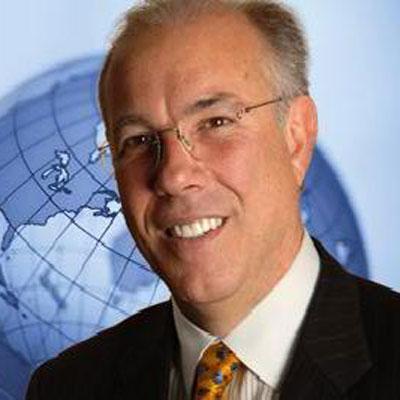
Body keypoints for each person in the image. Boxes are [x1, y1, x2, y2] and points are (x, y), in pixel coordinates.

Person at [26, 1, 400, 399]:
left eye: (215, 122)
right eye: (138, 140)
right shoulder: (64, 387)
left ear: (296, 136)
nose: (173, 175)